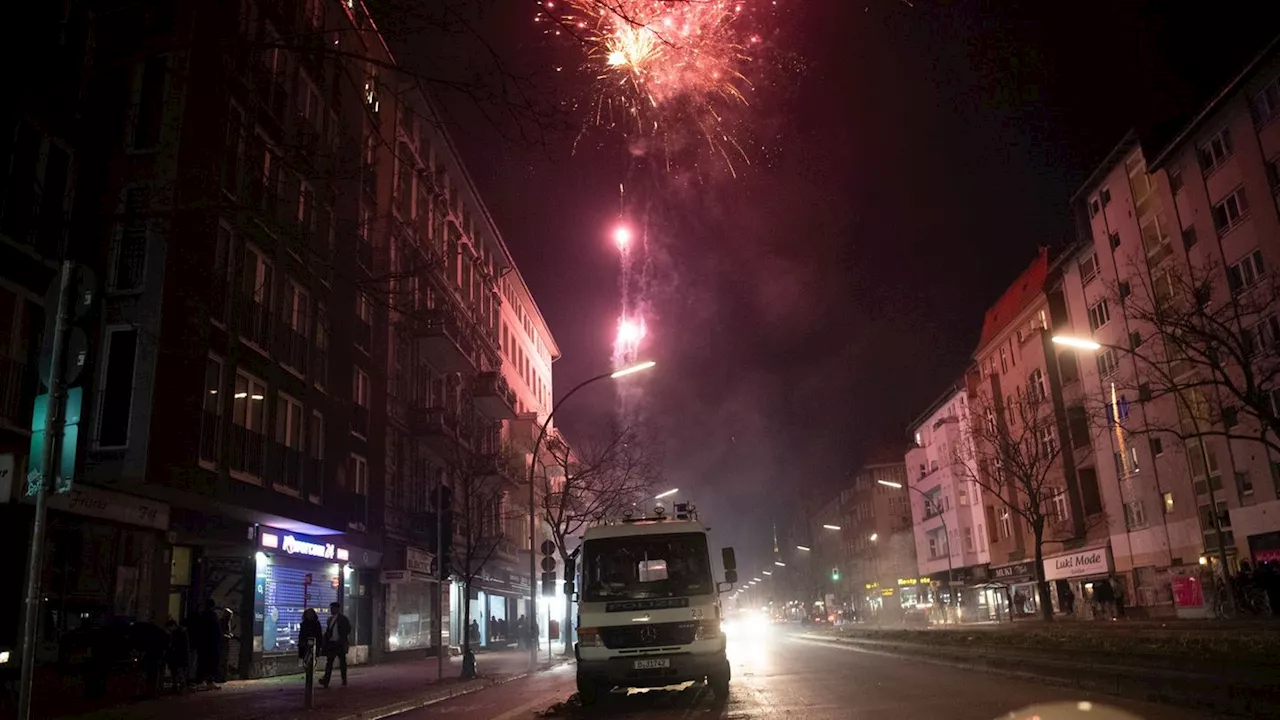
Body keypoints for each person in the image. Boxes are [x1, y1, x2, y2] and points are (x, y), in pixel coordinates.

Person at [320, 601, 351, 688]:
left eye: (333, 608)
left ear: (337, 609)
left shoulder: (343, 619)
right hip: (332, 643)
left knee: (342, 663)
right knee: (329, 663)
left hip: (339, 643)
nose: (331, 610)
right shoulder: (330, 619)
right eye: (331, 608)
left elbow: (348, 629)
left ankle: (344, 679)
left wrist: (342, 637)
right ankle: (326, 681)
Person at [196, 600, 222, 690]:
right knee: (211, 663)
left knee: (202, 663)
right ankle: (209, 681)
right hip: (211, 645)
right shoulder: (213, 616)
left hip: (203, 644)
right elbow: (216, 631)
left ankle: (201, 681)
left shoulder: (202, 615)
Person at [165, 619, 190, 692]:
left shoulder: (178, 633)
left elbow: (178, 646)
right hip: (177, 656)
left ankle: (180, 686)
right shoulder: (180, 632)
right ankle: (178, 686)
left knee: (178, 672)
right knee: (177, 672)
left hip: (178, 656)